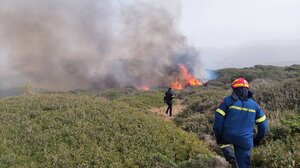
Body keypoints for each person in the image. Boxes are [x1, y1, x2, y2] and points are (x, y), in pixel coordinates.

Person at [213, 77, 268, 168]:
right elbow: (263, 126)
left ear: (234, 89)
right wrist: (257, 140)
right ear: (247, 89)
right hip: (245, 140)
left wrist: (218, 137)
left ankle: (231, 158)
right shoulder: (255, 105)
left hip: (228, 136)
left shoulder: (227, 101)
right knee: (244, 164)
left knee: (222, 142)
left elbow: (218, 123)